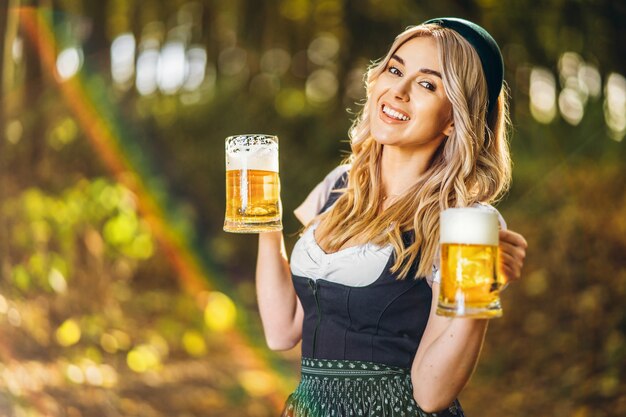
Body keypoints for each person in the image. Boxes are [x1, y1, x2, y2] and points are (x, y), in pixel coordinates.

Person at [255, 17, 528, 417]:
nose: (398, 91)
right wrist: (265, 220)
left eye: (427, 84)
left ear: (455, 118)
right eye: (395, 69)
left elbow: (431, 393)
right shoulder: (337, 186)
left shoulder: (465, 223)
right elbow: (282, 330)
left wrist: (476, 299)